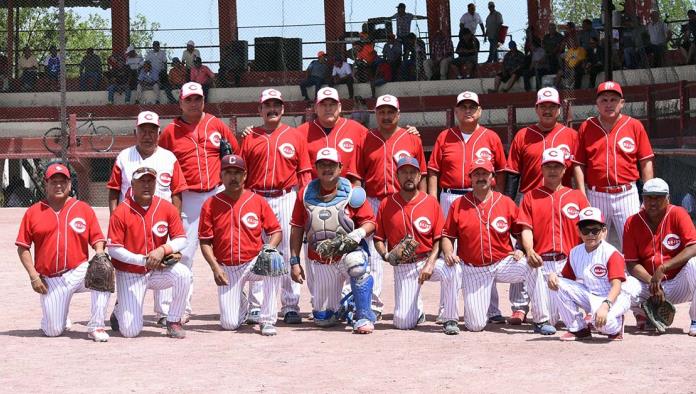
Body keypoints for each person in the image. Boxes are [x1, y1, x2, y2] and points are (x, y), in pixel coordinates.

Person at [441, 158, 553, 335]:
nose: (481, 177)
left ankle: (541, 320)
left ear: (492, 176)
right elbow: (447, 236)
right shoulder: (458, 205)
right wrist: (448, 252)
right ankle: (460, 317)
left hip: (503, 262)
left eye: (485, 173)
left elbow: (522, 230)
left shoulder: (505, 202)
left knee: (531, 266)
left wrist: (522, 249)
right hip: (474, 268)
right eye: (477, 173)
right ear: (470, 177)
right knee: (475, 326)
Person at [159, 82, 240, 321]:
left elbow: (235, 155)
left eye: (198, 99)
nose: (194, 103)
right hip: (189, 198)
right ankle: (178, 309)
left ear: (204, 100)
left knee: (230, 248)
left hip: (217, 193)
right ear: (180, 102)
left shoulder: (216, 124)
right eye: (189, 99)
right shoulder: (170, 131)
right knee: (184, 253)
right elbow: (162, 161)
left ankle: (238, 304)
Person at [428, 91, 508, 323]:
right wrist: (434, 200)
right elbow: (434, 171)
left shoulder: (490, 137)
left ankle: (492, 309)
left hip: (484, 196)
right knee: (447, 253)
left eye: (472, 106)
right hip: (451, 196)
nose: (468, 110)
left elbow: (500, 172)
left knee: (488, 249)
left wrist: (498, 198)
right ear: (456, 111)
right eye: (463, 106)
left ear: (480, 110)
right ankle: (447, 308)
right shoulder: (445, 136)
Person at [503, 87, 579, 324]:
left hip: (560, 199)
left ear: (559, 109)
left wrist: (580, 196)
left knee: (564, 249)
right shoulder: (523, 135)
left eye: (552, 106)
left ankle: (569, 298)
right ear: (536, 108)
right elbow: (513, 172)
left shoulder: (570, 135)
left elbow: (576, 170)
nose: (547, 110)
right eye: (543, 106)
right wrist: (509, 203)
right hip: (530, 198)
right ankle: (519, 305)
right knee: (523, 251)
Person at [347, 94, 427, 319]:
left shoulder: (411, 138)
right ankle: (373, 304)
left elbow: (423, 173)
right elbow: (355, 177)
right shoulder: (365, 138)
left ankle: (415, 306)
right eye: (381, 111)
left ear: (398, 114)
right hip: (372, 199)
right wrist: (358, 205)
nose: (386, 116)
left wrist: (425, 201)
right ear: (375, 114)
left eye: (390, 111)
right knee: (373, 254)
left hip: (403, 199)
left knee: (409, 254)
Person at [238, 88, 312, 325]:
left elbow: (304, 174)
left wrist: (306, 206)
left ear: (283, 109)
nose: (272, 109)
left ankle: (290, 305)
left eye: (276, 105)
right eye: (267, 105)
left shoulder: (296, 136)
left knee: (288, 251)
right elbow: (240, 174)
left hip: (286, 197)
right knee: (257, 251)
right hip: (256, 197)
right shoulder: (250, 137)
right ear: (259, 110)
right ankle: (256, 306)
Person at [106, 111, 187, 326]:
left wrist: (173, 224)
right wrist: (116, 221)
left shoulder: (169, 158)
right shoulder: (124, 156)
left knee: (167, 264)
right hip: (130, 220)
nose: (148, 135)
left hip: (162, 221)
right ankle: (122, 306)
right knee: (130, 267)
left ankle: (166, 314)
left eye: (152, 131)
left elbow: (176, 192)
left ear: (159, 133)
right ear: (136, 132)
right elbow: (114, 191)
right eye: (143, 130)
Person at [15, 163, 111, 341]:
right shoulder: (33, 212)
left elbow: (97, 239)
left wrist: (99, 253)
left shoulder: (83, 209)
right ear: (46, 184)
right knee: (53, 331)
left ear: (69, 184)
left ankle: (96, 326)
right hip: (52, 279)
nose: (58, 185)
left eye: (63, 181)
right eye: (54, 181)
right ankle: (59, 313)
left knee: (102, 271)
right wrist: (33, 276)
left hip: (78, 271)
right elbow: (23, 247)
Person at [289, 147, 377, 334]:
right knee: (323, 319)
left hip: (346, 256)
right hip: (322, 259)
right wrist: (294, 261)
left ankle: (363, 314)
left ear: (340, 167)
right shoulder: (305, 194)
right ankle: (345, 303)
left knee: (357, 262)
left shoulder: (352, 193)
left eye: (331, 165)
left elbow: (370, 223)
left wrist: (358, 233)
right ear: (316, 167)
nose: (327, 169)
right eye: (322, 165)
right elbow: (297, 228)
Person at [199, 154, 284, 336]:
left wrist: (269, 248)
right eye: (228, 173)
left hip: (253, 262)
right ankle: (241, 300)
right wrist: (215, 267)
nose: (233, 177)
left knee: (273, 260)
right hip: (227, 268)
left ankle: (267, 319)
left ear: (245, 175)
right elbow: (205, 241)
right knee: (229, 324)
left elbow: (276, 231)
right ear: (221, 176)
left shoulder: (256, 200)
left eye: (237, 172)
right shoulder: (211, 203)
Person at [374, 156, 459, 333]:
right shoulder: (386, 204)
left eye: (413, 172)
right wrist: (385, 255)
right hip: (404, 266)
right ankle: (417, 311)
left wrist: (430, 263)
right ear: (397, 176)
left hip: (427, 259)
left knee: (453, 269)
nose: (409, 176)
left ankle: (450, 318)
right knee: (402, 323)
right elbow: (378, 239)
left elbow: (438, 238)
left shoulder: (430, 202)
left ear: (420, 177)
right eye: (404, 172)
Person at [107, 166, 191, 339]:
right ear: (132, 184)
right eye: (142, 181)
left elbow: (182, 239)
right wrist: (143, 260)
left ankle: (173, 321)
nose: (146, 185)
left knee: (183, 274)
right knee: (130, 332)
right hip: (130, 273)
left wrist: (163, 249)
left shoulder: (166, 207)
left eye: (150, 181)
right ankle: (119, 309)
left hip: (156, 270)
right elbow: (114, 249)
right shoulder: (121, 211)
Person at [573, 81, 654, 249]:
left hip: (627, 193)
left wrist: (647, 193)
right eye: (604, 100)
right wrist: (582, 194)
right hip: (597, 194)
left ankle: (635, 276)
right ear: (597, 104)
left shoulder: (634, 125)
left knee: (634, 241)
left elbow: (645, 161)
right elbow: (579, 164)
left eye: (613, 100)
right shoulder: (587, 127)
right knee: (594, 244)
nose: (609, 104)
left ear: (622, 103)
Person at [518, 147, 590, 328]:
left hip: (571, 262)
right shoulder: (530, 197)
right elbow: (526, 229)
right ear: (541, 169)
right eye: (548, 166)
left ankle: (592, 310)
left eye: (557, 166)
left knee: (582, 319)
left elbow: (590, 230)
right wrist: (529, 250)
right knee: (549, 320)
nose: (552, 170)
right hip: (544, 263)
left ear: (564, 169)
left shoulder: (577, 197)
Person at [623, 178, 696, 336]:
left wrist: (664, 267)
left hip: (678, 284)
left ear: (668, 198)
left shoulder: (678, 213)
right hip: (648, 286)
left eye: (658, 197)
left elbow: (694, 247)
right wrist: (653, 282)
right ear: (643, 198)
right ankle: (639, 314)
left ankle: (695, 320)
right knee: (625, 285)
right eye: (649, 197)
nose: (653, 202)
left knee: (694, 264)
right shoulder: (632, 222)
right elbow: (631, 264)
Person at [548, 207, 632, 340]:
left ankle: (617, 325)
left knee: (601, 325)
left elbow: (617, 286)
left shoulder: (611, 253)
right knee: (557, 283)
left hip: (615, 298)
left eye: (595, 230)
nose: (590, 234)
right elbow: (566, 280)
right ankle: (579, 329)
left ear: (604, 231)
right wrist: (553, 276)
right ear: (579, 232)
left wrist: (605, 306)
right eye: (586, 230)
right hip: (590, 295)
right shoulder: (575, 252)